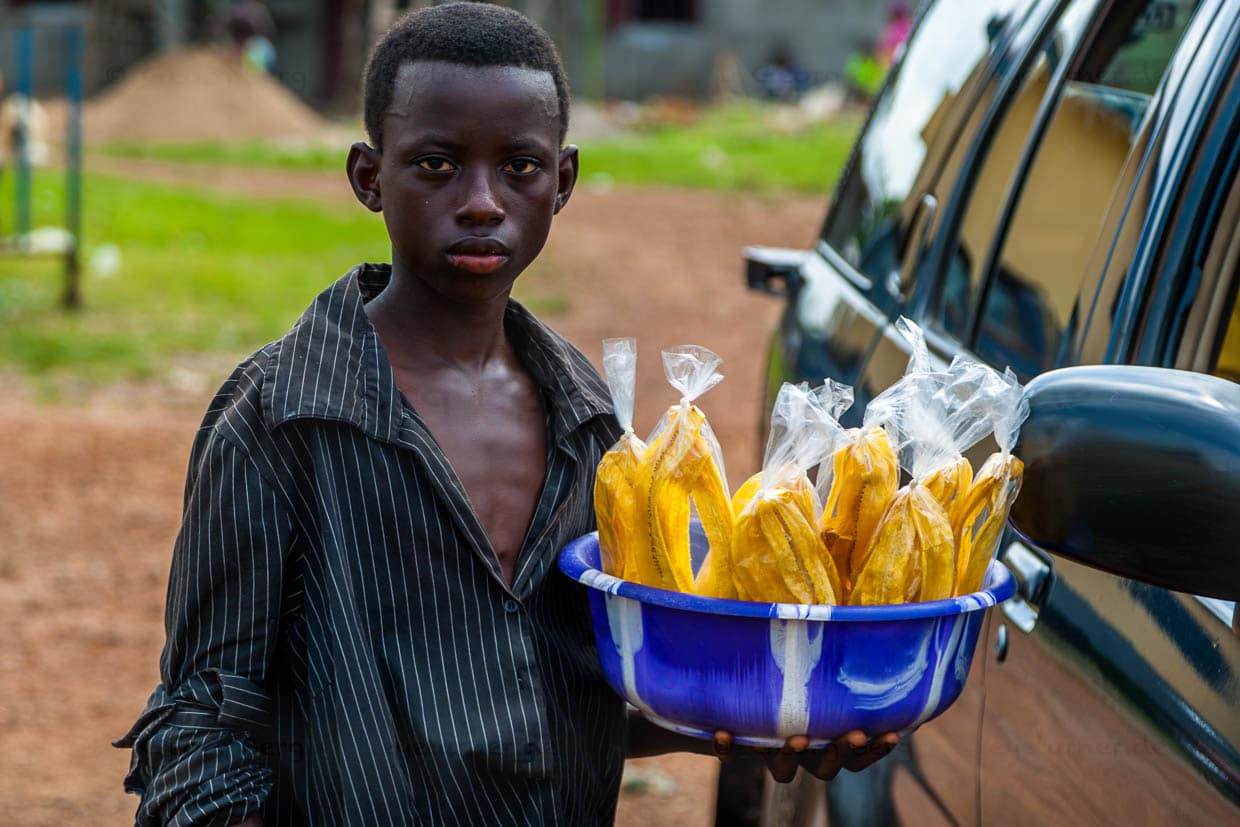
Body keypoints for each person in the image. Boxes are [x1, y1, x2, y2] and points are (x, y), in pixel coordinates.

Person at [113, 4, 898, 825]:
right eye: (437, 164)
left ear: (563, 182)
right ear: (369, 177)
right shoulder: (281, 420)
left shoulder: (587, 423)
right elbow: (201, 724)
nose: (482, 201)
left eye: (520, 166)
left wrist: (767, 721)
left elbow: (573, 692)